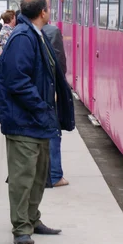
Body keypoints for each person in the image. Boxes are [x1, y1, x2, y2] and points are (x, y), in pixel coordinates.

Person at [0, 0, 75, 244]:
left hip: (37, 121)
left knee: (39, 174)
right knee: (23, 177)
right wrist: (41, 107)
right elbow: (17, 81)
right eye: (49, 7)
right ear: (43, 11)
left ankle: (32, 219)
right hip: (25, 121)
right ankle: (21, 228)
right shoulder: (23, 38)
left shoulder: (34, 34)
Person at [42, 23, 69, 188]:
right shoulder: (52, 31)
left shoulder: (19, 32)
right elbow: (59, 63)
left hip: (32, 92)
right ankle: (55, 175)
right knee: (53, 131)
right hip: (49, 90)